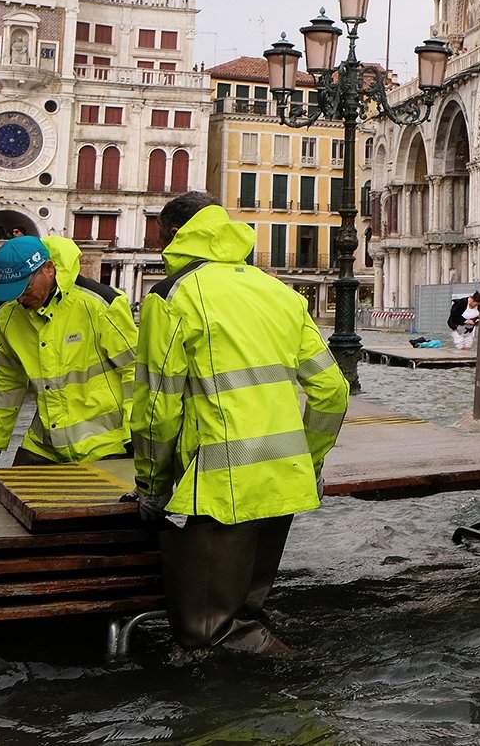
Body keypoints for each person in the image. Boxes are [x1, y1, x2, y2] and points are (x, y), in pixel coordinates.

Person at [129, 192, 350, 657]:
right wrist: (308, 461)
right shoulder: (280, 293)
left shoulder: (171, 296)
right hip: (282, 480)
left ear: (172, 236)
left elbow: (157, 409)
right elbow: (332, 391)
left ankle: (297, 684)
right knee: (245, 613)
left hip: (219, 488)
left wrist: (152, 485)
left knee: (207, 632)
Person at [0, 235, 137, 480]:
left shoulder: (99, 304)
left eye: (25, 288)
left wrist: (136, 437)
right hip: (45, 443)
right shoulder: (7, 313)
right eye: (12, 291)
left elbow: (135, 370)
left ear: (48, 269)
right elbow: (5, 381)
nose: (20, 298)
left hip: (107, 443)